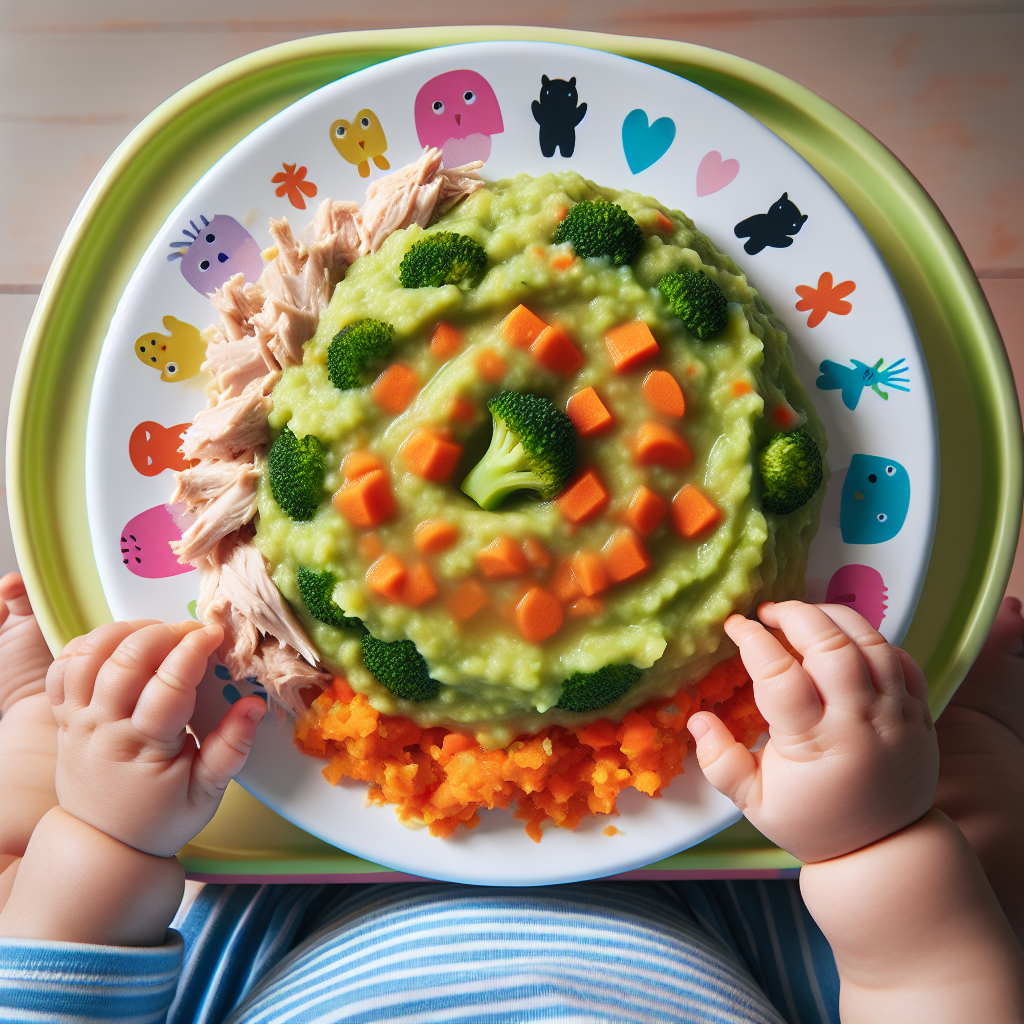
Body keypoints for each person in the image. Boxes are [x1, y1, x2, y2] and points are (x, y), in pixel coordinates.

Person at [0, 570, 1020, 1023]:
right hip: (739, 895)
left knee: (55, 774)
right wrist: (867, 844)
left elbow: (49, 995)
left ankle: (28, 707)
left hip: (262, 910)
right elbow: (936, 993)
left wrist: (105, 837)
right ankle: (969, 705)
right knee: (968, 820)